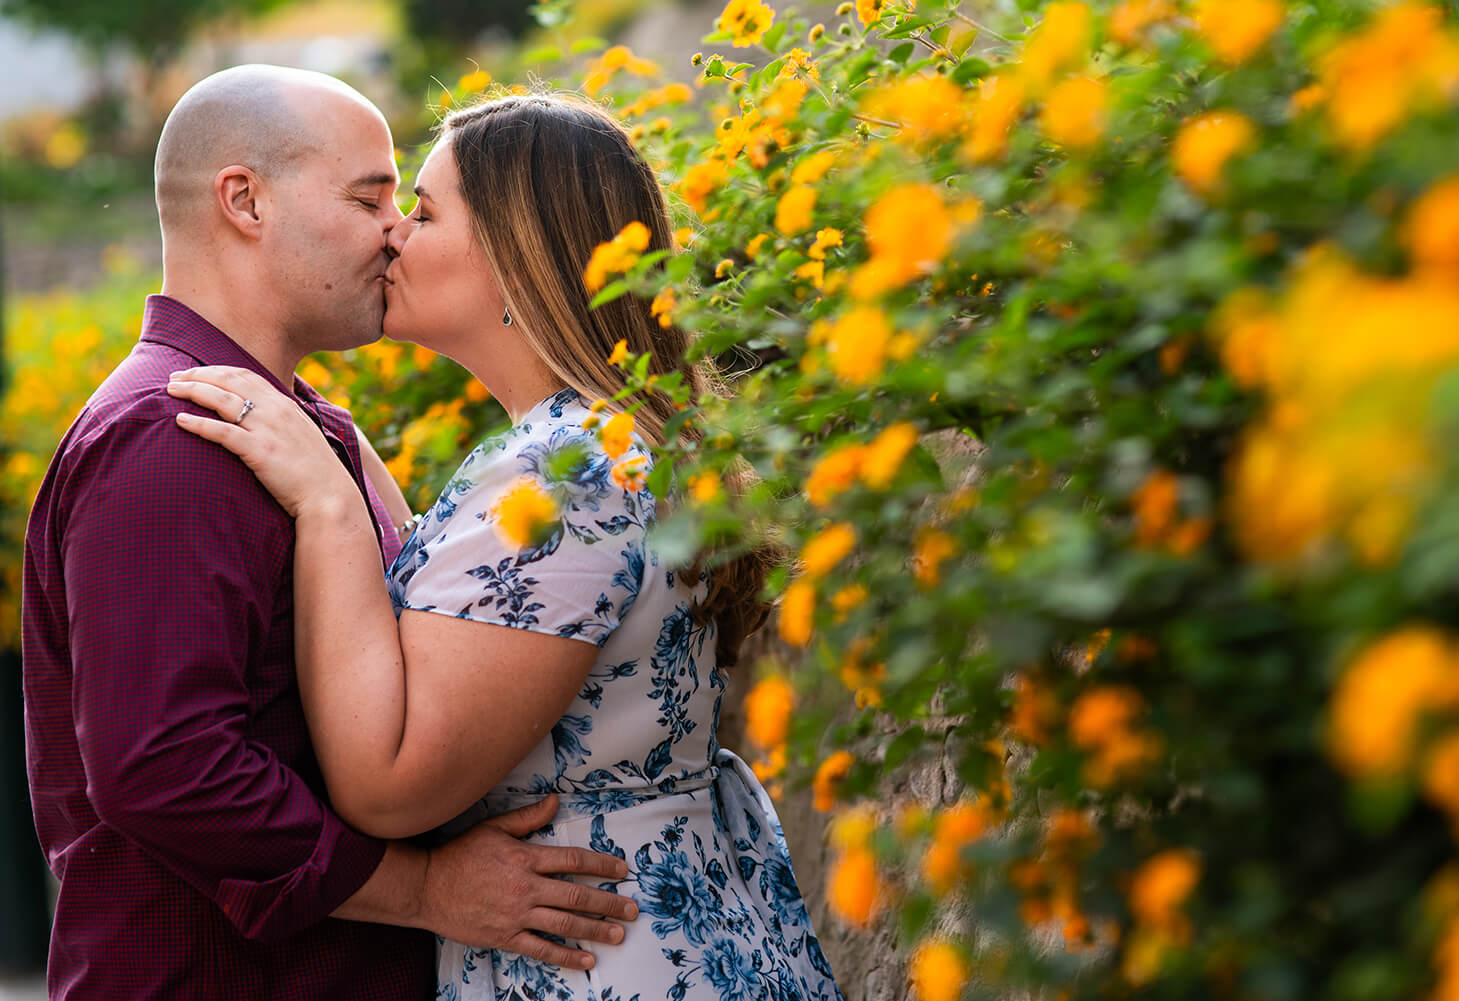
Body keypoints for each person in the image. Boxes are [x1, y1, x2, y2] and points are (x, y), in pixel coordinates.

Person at [166, 93, 845, 1001]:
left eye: (426, 211)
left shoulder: (565, 471)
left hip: (597, 954)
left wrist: (330, 507)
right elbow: (470, 624)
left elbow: (389, 784)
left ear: (517, 257)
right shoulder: (587, 441)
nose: (395, 235)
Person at [21, 67, 637, 1001]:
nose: (395, 229)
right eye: (368, 196)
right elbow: (165, 768)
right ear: (245, 201)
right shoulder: (172, 437)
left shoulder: (297, 428)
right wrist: (425, 888)